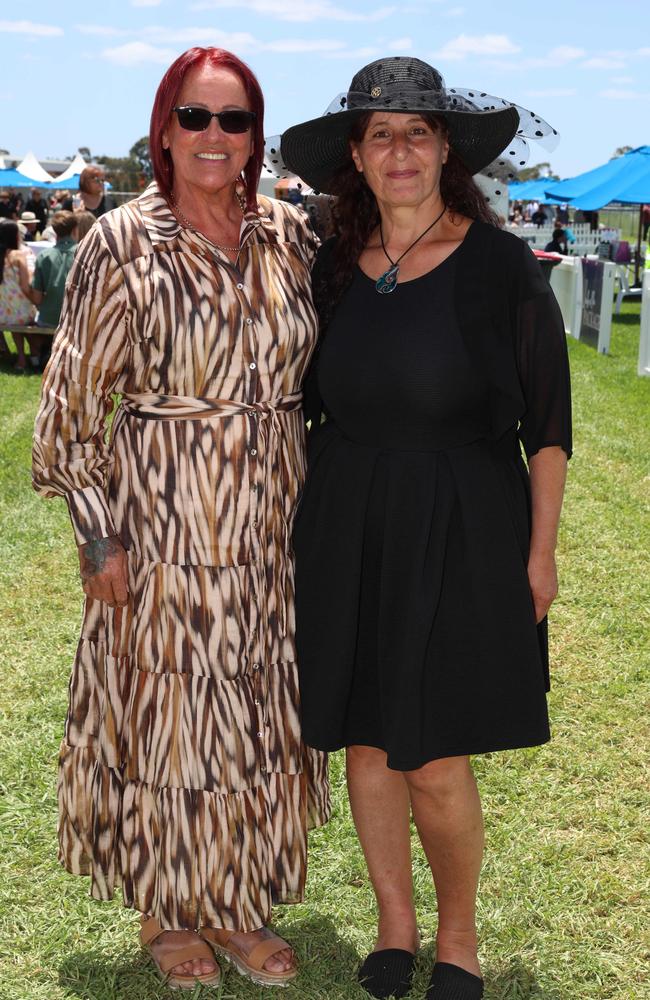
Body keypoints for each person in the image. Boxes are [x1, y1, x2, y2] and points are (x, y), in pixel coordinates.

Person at [32, 46, 328, 992]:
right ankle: (168, 911)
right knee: (170, 718)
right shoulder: (125, 238)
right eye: (194, 118)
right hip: (165, 519)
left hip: (276, 519)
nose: (214, 137)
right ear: (163, 129)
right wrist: (97, 533)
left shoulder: (290, 236)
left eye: (233, 120)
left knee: (251, 712)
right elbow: (73, 402)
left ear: (256, 135)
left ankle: (236, 901)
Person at [281, 56, 571, 1000]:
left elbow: (549, 425)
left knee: (436, 754)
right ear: (356, 160)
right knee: (369, 742)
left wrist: (540, 551)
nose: (398, 149)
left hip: (462, 527)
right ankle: (392, 931)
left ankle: (458, 940)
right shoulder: (329, 268)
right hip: (348, 522)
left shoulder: (501, 267)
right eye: (379, 134)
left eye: (416, 131)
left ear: (447, 150)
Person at [28, 210, 78, 370]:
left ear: (54, 230)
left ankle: (41, 355)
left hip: (48, 319)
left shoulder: (43, 256)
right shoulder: (83, 253)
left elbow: (36, 299)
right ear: (74, 229)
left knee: (30, 325)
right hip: (76, 320)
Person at [0, 220, 36, 370]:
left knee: (16, 322)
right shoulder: (18, 255)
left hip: (3, 312)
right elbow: (25, 286)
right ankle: (33, 356)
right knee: (30, 318)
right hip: (22, 311)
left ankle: (20, 358)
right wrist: (36, 301)